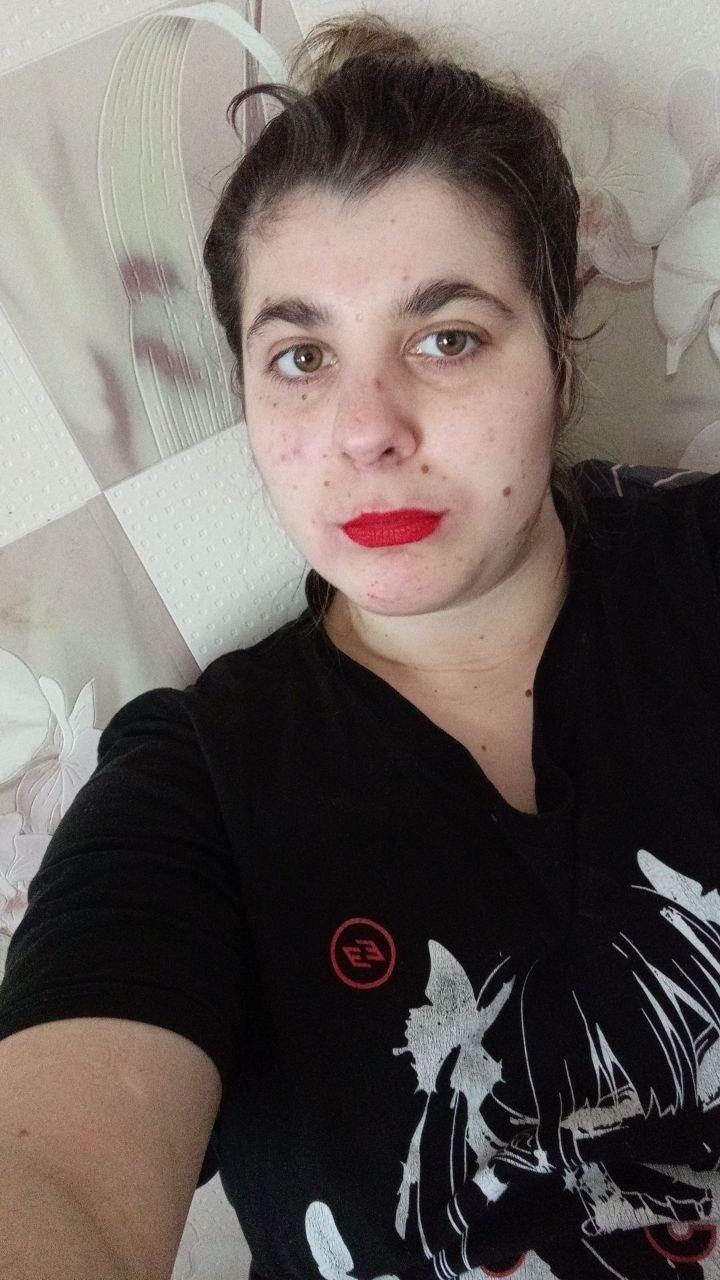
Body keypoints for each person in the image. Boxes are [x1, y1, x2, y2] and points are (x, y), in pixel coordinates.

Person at [1, 11, 720, 1280]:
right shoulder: (199, 786)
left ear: (558, 349)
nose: (367, 427)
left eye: (447, 336)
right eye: (300, 356)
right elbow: (57, 1173)